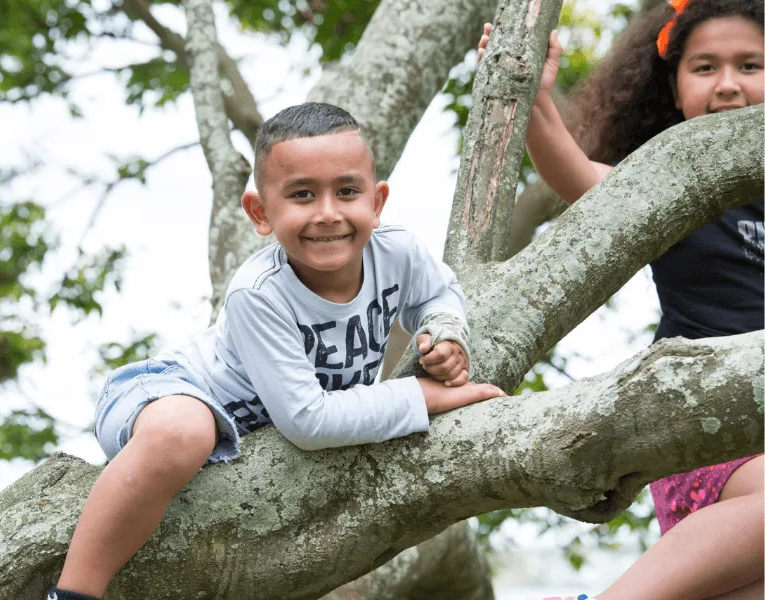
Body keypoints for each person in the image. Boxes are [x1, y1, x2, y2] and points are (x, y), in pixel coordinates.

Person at [47, 102, 505, 600]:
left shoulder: (398, 253)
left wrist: (443, 333)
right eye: (302, 195)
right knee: (183, 434)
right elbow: (309, 422)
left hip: (250, 430)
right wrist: (425, 396)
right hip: (167, 391)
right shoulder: (259, 293)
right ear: (260, 213)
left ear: (377, 202)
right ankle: (74, 593)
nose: (328, 213)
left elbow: (439, 294)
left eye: (347, 191)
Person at [480, 0, 763, 598]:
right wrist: (531, 97)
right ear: (675, 85)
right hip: (707, 432)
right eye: (705, 67)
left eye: (751, 66)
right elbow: (577, 175)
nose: (729, 85)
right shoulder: (674, 183)